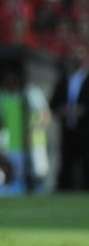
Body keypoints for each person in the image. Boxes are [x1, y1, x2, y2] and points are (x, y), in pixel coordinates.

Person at [50, 46, 89, 191]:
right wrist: (63, 110)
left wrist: (83, 110)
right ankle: (63, 191)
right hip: (67, 130)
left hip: (85, 130)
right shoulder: (63, 80)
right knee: (66, 162)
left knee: (86, 162)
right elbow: (53, 103)